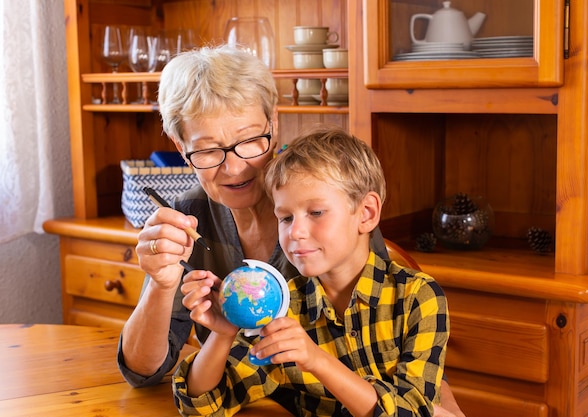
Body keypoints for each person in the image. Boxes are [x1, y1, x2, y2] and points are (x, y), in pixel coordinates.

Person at [117, 45, 465, 417]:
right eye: (207, 150)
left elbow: (378, 347)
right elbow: (147, 375)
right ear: (180, 147)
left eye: (250, 140)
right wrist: (161, 283)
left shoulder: (324, 196)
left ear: (274, 124)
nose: (234, 168)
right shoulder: (187, 216)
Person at [173, 127, 449, 416]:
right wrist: (222, 334)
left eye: (316, 212)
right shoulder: (282, 308)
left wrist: (315, 359)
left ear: (366, 213)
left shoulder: (418, 297)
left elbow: (414, 412)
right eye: (286, 217)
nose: (296, 232)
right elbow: (202, 404)